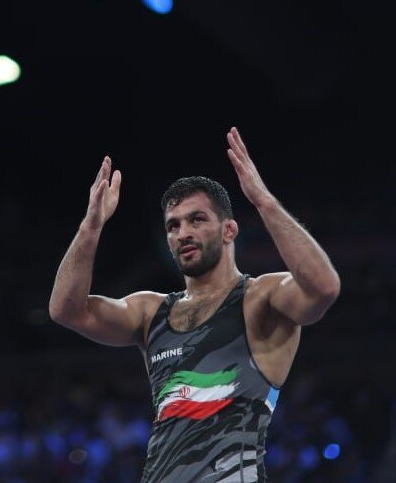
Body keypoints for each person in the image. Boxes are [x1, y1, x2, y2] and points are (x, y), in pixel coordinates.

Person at [49, 126, 341, 482]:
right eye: (173, 226)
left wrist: (264, 201)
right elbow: (66, 310)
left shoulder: (260, 298)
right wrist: (90, 227)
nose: (182, 233)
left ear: (229, 230)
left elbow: (323, 288)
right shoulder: (151, 312)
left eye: (197, 219)